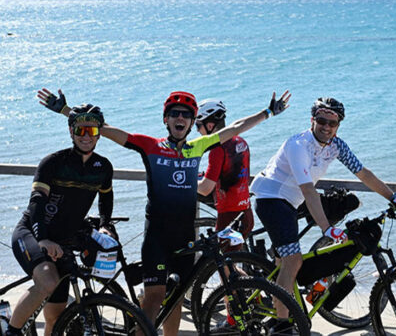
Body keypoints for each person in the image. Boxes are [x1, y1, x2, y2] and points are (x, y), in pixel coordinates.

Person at [37, 88, 290, 336]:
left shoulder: (198, 146)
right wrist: (65, 111)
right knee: (154, 297)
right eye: (175, 113)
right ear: (166, 120)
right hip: (157, 237)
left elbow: (234, 128)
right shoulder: (151, 146)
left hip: (185, 238)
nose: (180, 118)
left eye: (186, 115)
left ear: (192, 122)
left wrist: (267, 112)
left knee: (176, 298)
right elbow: (105, 130)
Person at [249, 97, 396, 334]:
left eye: (332, 123)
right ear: (312, 120)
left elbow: (363, 173)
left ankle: (274, 302)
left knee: (286, 261)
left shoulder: (337, 145)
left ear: (338, 125)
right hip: (271, 197)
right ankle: (281, 324)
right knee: (294, 260)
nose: (326, 127)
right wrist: (326, 229)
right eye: (322, 121)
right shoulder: (298, 144)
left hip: (293, 201)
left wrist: (392, 197)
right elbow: (308, 190)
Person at [5, 104, 116, 336]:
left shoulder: (103, 167)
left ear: (99, 134)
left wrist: (106, 226)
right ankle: (11, 332)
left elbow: (106, 199)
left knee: (56, 315)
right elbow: (36, 202)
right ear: (70, 131)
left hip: (63, 241)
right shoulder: (53, 162)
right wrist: (43, 239)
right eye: (80, 131)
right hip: (32, 233)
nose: (86, 137)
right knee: (47, 281)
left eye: (92, 131)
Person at [196, 99, 254, 251]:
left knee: (224, 267)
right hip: (246, 214)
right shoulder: (241, 142)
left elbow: (205, 189)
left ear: (210, 125)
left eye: (198, 126)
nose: (197, 131)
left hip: (228, 217)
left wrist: (187, 180)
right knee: (231, 263)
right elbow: (237, 174)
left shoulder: (217, 149)